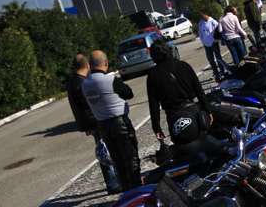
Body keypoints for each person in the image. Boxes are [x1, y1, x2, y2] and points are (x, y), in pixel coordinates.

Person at [146, 40, 224, 163]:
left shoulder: (152, 76)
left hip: (174, 118)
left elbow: (153, 105)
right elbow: (199, 91)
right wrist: (208, 111)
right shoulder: (183, 66)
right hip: (193, 112)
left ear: (153, 56)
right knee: (206, 145)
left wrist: (156, 127)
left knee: (186, 155)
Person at [82, 50, 141, 191]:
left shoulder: (85, 84)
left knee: (117, 161)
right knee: (131, 158)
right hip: (120, 123)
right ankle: (137, 190)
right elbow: (129, 93)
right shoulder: (110, 79)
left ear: (90, 66)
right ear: (106, 63)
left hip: (103, 125)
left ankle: (126, 190)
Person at [67, 54, 121, 193]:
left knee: (104, 150)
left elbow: (77, 108)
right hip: (97, 120)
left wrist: (84, 125)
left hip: (89, 122)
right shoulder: (81, 83)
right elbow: (88, 105)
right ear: (87, 65)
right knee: (107, 151)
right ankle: (114, 183)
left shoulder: (73, 82)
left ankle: (114, 181)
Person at [198, 12, 229, 81]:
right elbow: (200, 33)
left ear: (207, 14)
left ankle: (222, 71)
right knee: (211, 60)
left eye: (203, 16)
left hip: (214, 43)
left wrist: (217, 40)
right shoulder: (200, 23)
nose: (202, 18)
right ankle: (216, 73)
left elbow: (218, 31)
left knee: (218, 58)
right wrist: (203, 42)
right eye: (201, 17)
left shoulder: (213, 22)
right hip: (206, 44)